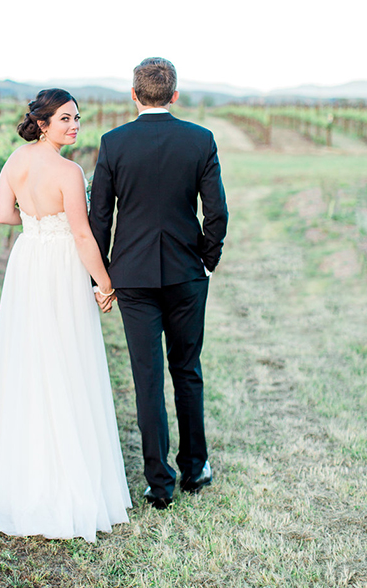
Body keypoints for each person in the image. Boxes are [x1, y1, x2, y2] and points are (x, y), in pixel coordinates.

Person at [0, 89, 131, 542]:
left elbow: (2, 215)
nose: (75, 126)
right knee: (66, 355)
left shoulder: (15, 161)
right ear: (44, 122)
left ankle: (24, 466)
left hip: (28, 260)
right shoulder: (69, 171)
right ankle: (62, 471)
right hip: (59, 266)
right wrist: (105, 284)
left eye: (77, 118)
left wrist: (36, 223)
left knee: (30, 356)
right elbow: (83, 235)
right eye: (66, 119)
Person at [89, 58, 228, 510]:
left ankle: (158, 483)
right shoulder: (200, 139)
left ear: (133, 94)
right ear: (174, 95)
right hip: (187, 273)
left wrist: (105, 275)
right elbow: (217, 212)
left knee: (147, 378)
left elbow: (99, 218)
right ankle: (195, 468)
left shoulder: (113, 143)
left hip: (132, 277)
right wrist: (207, 261)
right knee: (187, 370)